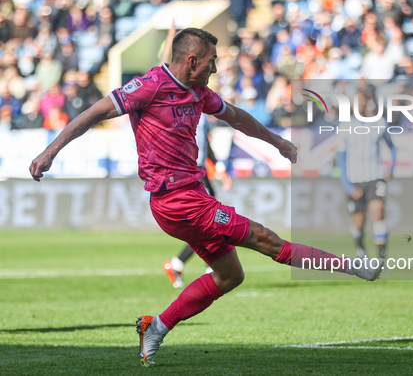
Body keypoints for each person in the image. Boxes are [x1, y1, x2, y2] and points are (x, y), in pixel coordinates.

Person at [29, 28, 384, 368]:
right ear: (193, 60)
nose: (216, 68)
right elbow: (93, 114)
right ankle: (350, 264)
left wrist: (277, 142)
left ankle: (156, 327)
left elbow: (238, 117)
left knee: (230, 276)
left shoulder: (199, 92)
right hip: (176, 201)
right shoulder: (150, 87)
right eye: (213, 61)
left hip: (193, 196)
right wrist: (50, 152)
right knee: (265, 239)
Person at [163, 114, 233, 289]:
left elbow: (203, 144)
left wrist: (217, 165)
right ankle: (207, 268)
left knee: (211, 222)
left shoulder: (199, 113)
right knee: (211, 220)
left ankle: (183, 265)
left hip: (200, 171)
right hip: (188, 171)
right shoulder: (182, 109)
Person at [336, 90, 396, 262]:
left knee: (378, 213)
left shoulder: (379, 123)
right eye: (357, 100)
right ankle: (361, 250)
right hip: (354, 179)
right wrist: (347, 185)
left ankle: (382, 259)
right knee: (359, 223)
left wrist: (390, 167)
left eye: (363, 99)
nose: (360, 103)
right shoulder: (344, 127)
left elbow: (392, 146)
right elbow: (340, 157)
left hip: (375, 176)